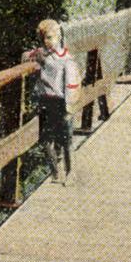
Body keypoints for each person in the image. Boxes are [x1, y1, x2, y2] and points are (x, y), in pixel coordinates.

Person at [24, 19, 79, 185]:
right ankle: (56, 173)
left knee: (66, 139)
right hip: (46, 102)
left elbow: (71, 83)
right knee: (46, 140)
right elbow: (24, 57)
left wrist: (70, 105)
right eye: (44, 38)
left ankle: (71, 173)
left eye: (50, 37)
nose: (48, 42)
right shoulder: (42, 56)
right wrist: (36, 54)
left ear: (59, 37)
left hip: (62, 102)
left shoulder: (66, 59)